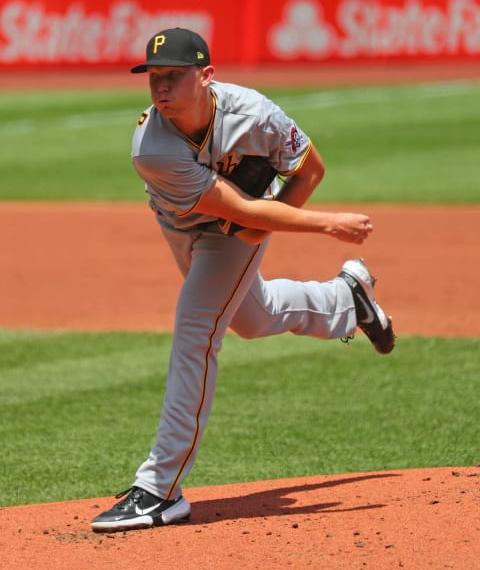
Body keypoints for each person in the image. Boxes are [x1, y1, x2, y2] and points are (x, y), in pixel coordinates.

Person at [91, 27, 395, 532]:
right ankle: (347, 299)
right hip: (189, 224)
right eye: (154, 78)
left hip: (228, 232)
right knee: (252, 317)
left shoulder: (255, 114)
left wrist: (262, 226)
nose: (161, 87)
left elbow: (309, 170)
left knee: (197, 327)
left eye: (174, 76)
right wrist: (323, 224)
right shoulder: (152, 147)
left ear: (206, 75)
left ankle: (160, 489)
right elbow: (233, 210)